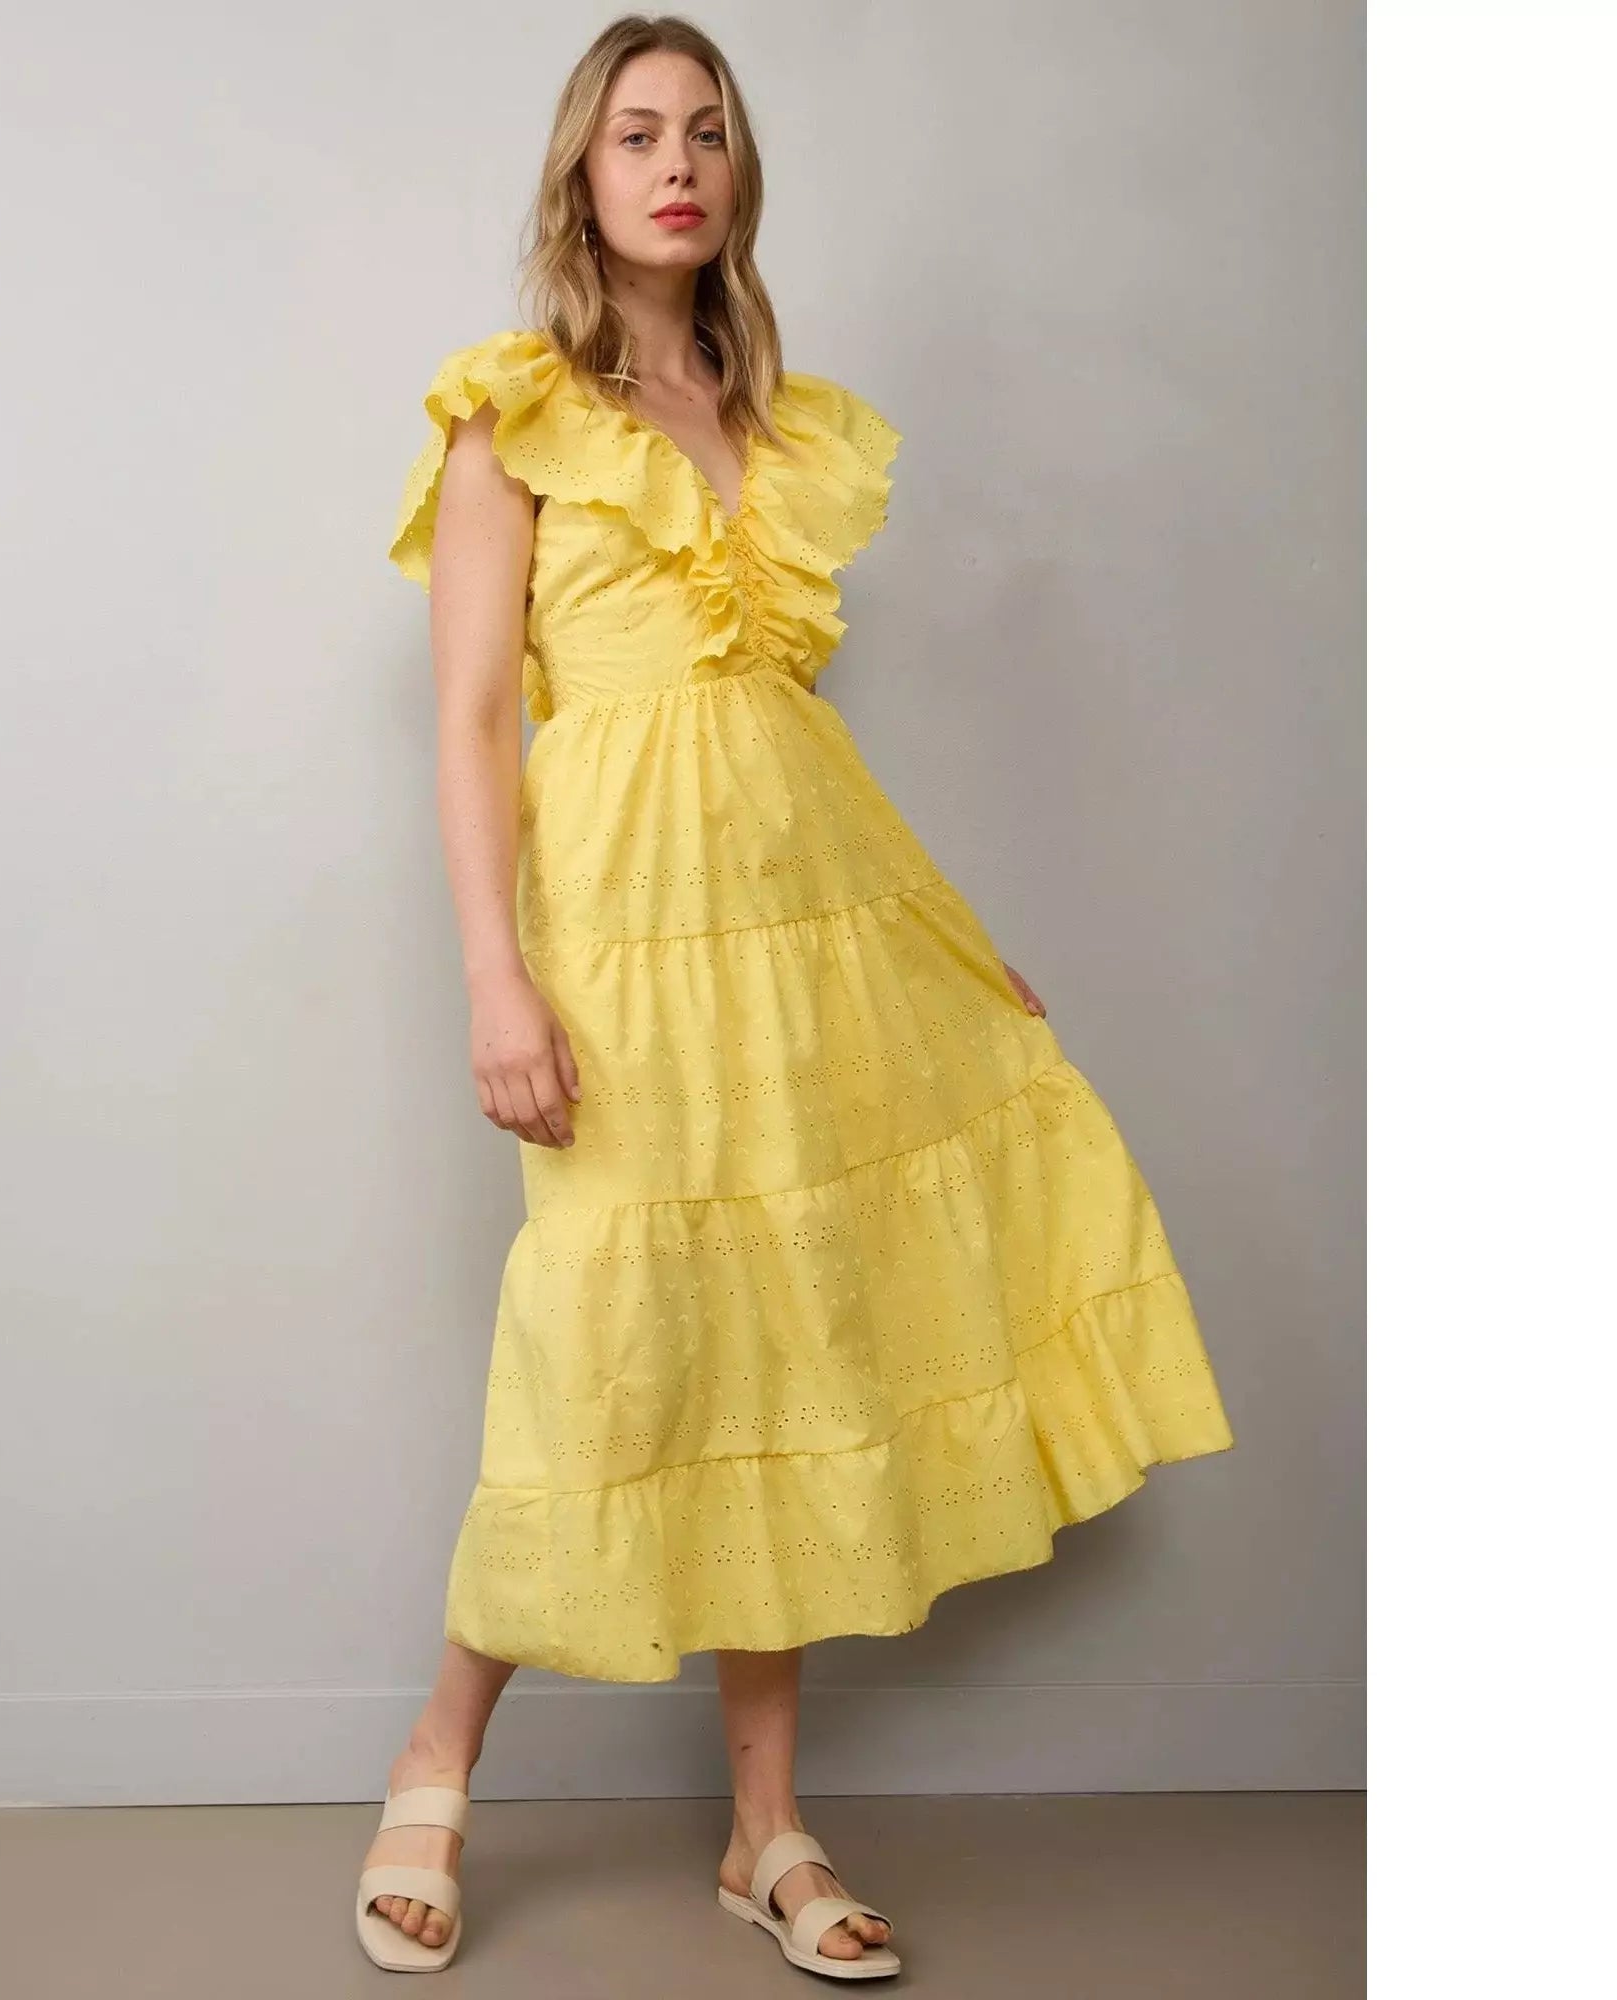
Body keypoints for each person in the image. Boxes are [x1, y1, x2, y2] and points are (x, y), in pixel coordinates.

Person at [357, 13, 1236, 1979]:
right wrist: (497, 977)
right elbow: (474, 720)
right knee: (609, 1345)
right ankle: (436, 1755)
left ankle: (766, 1829)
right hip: (620, 943)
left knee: (788, 1340)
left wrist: (943, 938)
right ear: (582, 175)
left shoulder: (775, 424)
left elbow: (792, 741)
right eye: (636, 134)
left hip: (813, 937)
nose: (676, 163)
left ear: (738, 175)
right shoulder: (511, 413)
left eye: (707, 132)